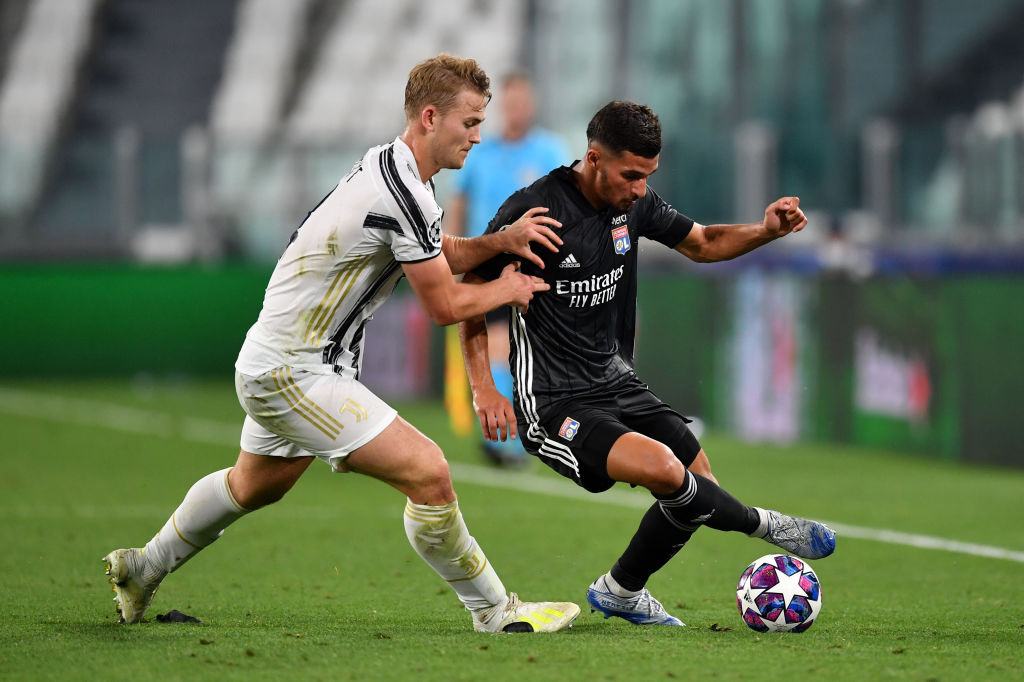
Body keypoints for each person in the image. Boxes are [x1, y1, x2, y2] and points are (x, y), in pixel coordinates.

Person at [102, 54, 581, 634]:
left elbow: (436, 250)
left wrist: (499, 241)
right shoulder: (403, 191)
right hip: (295, 371)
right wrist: (508, 287)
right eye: (470, 122)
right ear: (430, 117)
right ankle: (494, 611)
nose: (478, 136)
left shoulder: (395, 169)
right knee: (429, 472)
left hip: (278, 361)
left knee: (253, 485)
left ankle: (143, 567)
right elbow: (442, 306)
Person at [458, 100, 836, 627]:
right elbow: (470, 291)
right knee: (667, 470)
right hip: (554, 401)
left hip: (617, 380)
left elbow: (703, 243)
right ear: (594, 158)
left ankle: (621, 590)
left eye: (648, 176)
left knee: (698, 480)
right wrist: (483, 387)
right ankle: (766, 525)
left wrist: (766, 229)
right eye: (631, 175)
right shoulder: (535, 210)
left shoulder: (634, 204)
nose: (640, 189)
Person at [444, 72, 568, 467]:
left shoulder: (549, 151)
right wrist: (451, 257)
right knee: (498, 346)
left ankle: (518, 437)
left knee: (524, 352)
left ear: (531, 106)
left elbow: (568, 207)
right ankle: (506, 442)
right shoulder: (480, 152)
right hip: (487, 264)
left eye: (522, 102)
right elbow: (460, 203)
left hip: (537, 266)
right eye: (510, 102)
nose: (516, 109)